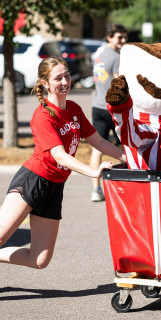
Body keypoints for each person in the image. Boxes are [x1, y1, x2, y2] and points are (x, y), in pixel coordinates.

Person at [0, 57, 126, 270]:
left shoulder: (74, 109)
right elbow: (60, 156)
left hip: (54, 187)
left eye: (66, 76)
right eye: (58, 78)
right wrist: (94, 172)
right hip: (32, 181)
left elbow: (99, 141)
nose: (65, 81)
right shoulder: (43, 116)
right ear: (45, 83)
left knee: (39, 260)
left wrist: (130, 159)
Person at [90, 23, 128, 202]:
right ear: (109, 37)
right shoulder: (116, 57)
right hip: (112, 109)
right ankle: (126, 186)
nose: (123, 40)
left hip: (97, 106)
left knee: (97, 148)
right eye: (119, 37)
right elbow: (118, 85)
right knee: (125, 147)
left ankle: (96, 190)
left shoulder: (98, 55)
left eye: (124, 37)